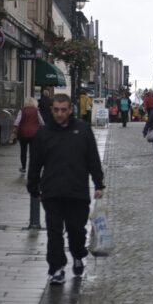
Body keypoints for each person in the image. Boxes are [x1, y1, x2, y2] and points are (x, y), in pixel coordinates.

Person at [27, 94, 105, 285]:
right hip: (52, 191)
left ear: (70, 110)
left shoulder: (83, 130)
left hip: (77, 192)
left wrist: (98, 183)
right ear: (51, 110)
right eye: (56, 110)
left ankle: (78, 255)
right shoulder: (43, 134)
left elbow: (92, 159)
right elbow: (35, 162)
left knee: (76, 231)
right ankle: (56, 268)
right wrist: (33, 185)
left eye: (63, 110)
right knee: (54, 233)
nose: (60, 113)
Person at [13, 97, 45, 173]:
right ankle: (32, 167)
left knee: (23, 151)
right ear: (34, 103)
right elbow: (42, 122)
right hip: (34, 134)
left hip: (23, 133)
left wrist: (15, 129)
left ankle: (23, 167)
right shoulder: (36, 111)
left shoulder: (22, 111)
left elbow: (17, 121)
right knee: (33, 152)